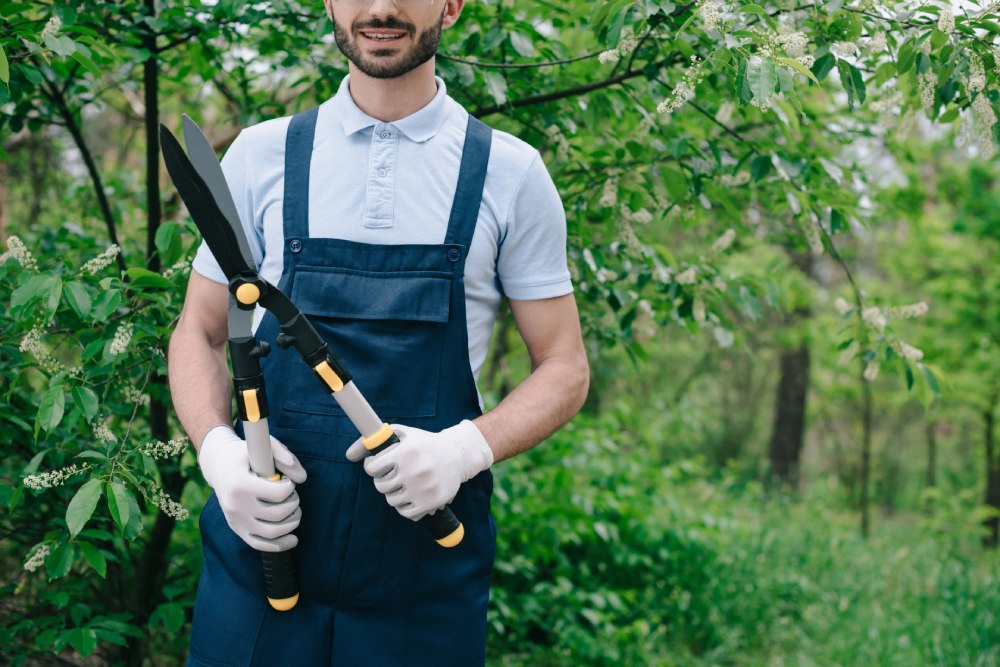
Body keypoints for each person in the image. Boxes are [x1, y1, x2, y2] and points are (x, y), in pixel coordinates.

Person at [167, 0, 589, 664]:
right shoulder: (261, 154)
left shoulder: (511, 174)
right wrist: (219, 455)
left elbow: (565, 366)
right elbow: (199, 328)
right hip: (263, 564)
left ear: (451, 4)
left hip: (424, 578)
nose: (381, 7)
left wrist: (464, 450)